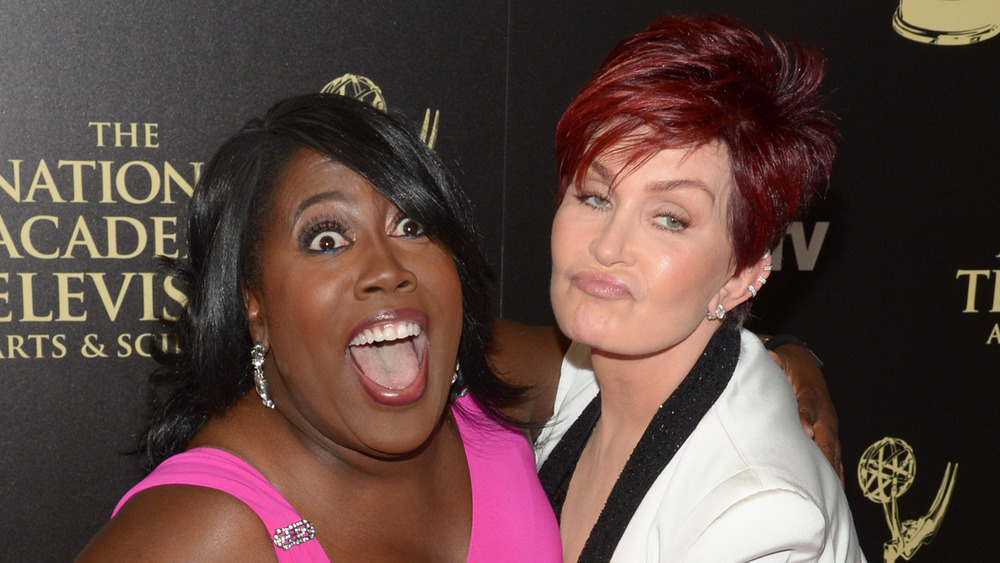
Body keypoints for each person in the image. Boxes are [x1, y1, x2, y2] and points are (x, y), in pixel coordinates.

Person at [76, 93, 562, 561]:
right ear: (254, 303)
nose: (388, 269)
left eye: (411, 226)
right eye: (327, 240)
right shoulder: (206, 530)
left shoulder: (488, 382)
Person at [529, 13, 865, 562]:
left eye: (670, 219)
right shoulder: (590, 366)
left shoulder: (760, 517)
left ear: (740, 275)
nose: (608, 246)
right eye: (595, 197)